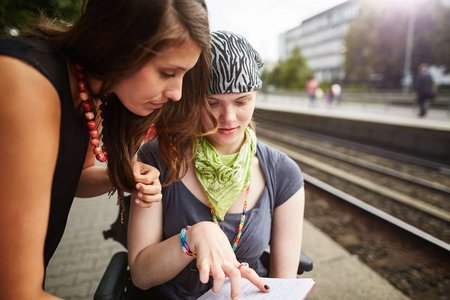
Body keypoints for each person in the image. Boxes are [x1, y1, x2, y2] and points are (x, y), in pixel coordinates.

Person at [0, 0, 214, 298]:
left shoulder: (91, 92)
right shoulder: (27, 85)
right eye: (167, 72)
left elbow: (74, 179)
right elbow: (16, 292)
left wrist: (120, 176)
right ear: (118, 42)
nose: (177, 93)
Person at [128, 30, 306, 300]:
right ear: (191, 99)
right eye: (212, 103)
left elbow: (283, 288)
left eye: (242, 101)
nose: (229, 117)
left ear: (255, 95)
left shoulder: (283, 173)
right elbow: (141, 275)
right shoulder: (157, 159)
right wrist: (193, 238)